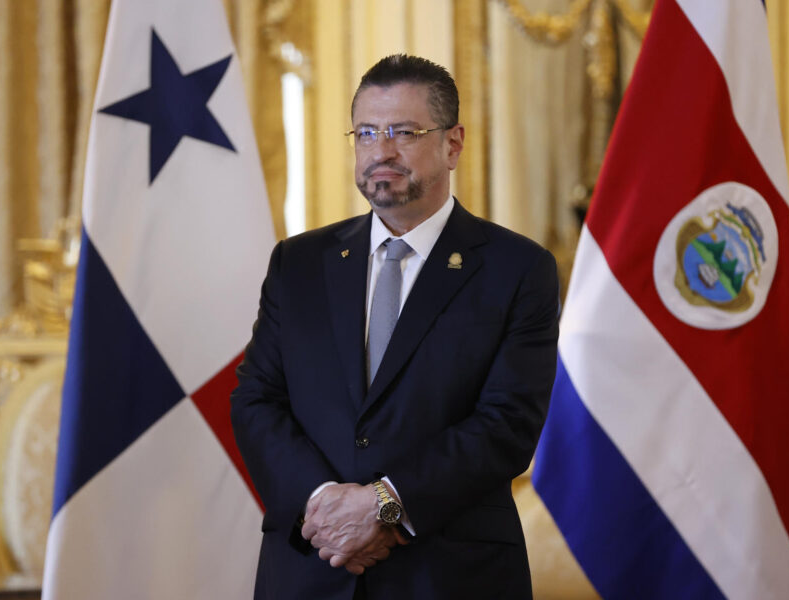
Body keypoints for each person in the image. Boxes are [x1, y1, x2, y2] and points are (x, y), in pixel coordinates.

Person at [231, 54, 560, 600]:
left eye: (404, 132)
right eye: (365, 133)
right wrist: (323, 504)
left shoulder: (517, 269)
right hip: (313, 567)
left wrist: (384, 507)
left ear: (452, 144)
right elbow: (256, 400)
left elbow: (507, 425)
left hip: (449, 575)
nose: (380, 151)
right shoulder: (299, 263)